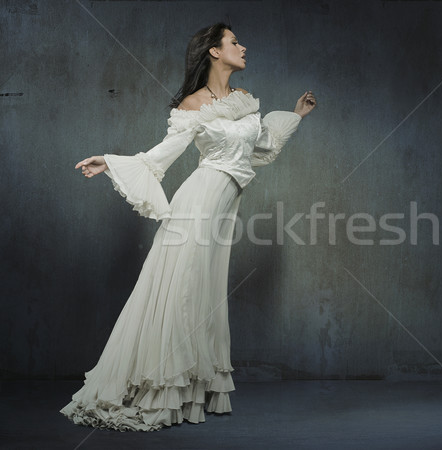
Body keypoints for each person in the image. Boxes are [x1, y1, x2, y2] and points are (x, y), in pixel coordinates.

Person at [60, 23, 316, 432]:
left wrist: (296, 116)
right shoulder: (193, 106)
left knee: (204, 296)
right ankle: (159, 389)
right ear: (214, 52)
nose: (243, 46)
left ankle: (192, 391)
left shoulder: (245, 100)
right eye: (234, 42)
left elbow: (259, 148)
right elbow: (160, 156)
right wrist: (109, 160)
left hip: (222, 211)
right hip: (196, 204)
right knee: (180, 291)